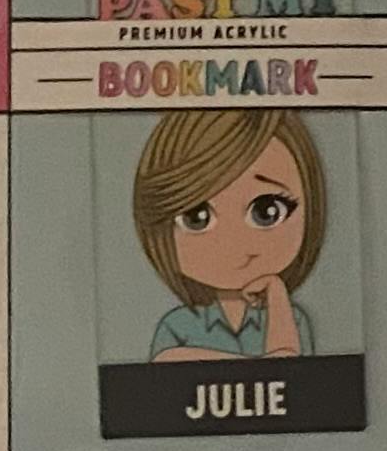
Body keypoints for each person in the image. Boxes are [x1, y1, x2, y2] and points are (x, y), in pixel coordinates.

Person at [131, 108, 327, 365]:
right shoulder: (178, 324)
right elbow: (167, 362)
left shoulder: (291, 319)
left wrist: (276, 293)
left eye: (265, 211)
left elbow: (288, 367)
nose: (234, 243)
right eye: (196, 217)